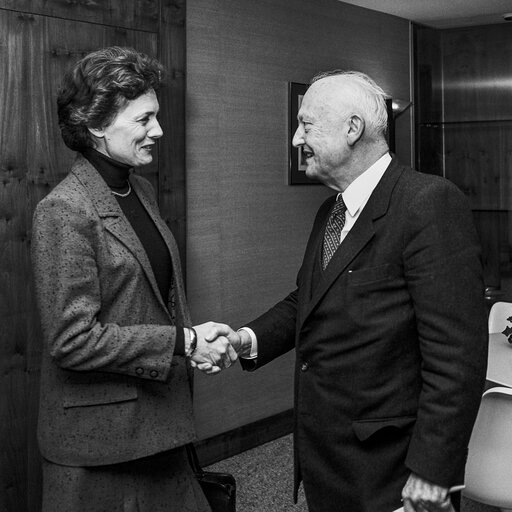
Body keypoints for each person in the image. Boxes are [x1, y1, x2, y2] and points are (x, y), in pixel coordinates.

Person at [198, 70, 488, 512]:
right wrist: (246, 339)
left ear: (353, 129)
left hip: (390, 466)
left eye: (306, 125)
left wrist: (433, 468)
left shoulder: (428, 203)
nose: (296, 139)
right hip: (328, 456)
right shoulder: (329, 212)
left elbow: (457, 356)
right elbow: (309, 300)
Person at [31, 46, 235, 512]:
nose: (158, 131)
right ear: (97, 124)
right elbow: (72, 341)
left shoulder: (138, 189)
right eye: (144, 120)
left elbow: (149, 299)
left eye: (156, 117)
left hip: (159, 425)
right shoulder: (64, 210)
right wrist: (183, 342)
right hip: (100, 450)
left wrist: (194, 340)